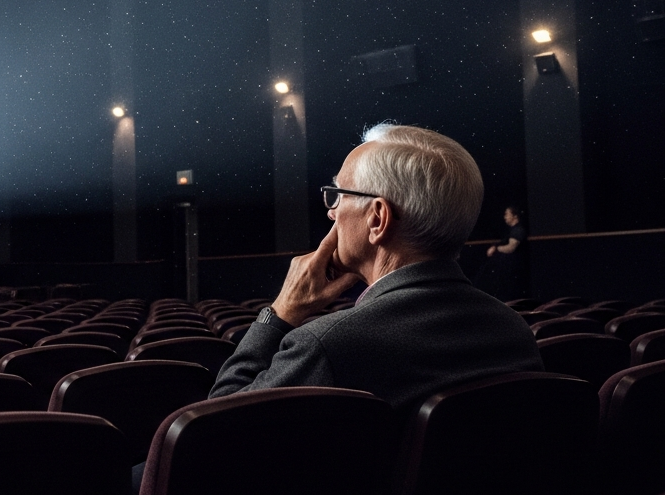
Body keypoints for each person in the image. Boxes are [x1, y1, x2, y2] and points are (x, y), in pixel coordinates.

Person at [210, 123, 542, 415]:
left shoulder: (326, 346)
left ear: (377, 219)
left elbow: (215, 426)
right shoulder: (514, 331)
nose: (331, 213)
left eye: (338, 195)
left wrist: (280, 312)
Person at [476, 205, 529, 300]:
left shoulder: (518, 231)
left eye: (507, 214)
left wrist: (496, 249)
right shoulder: (511, 231)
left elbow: (511, 248)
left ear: (515, 216)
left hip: (514, 269)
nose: (505, 217)